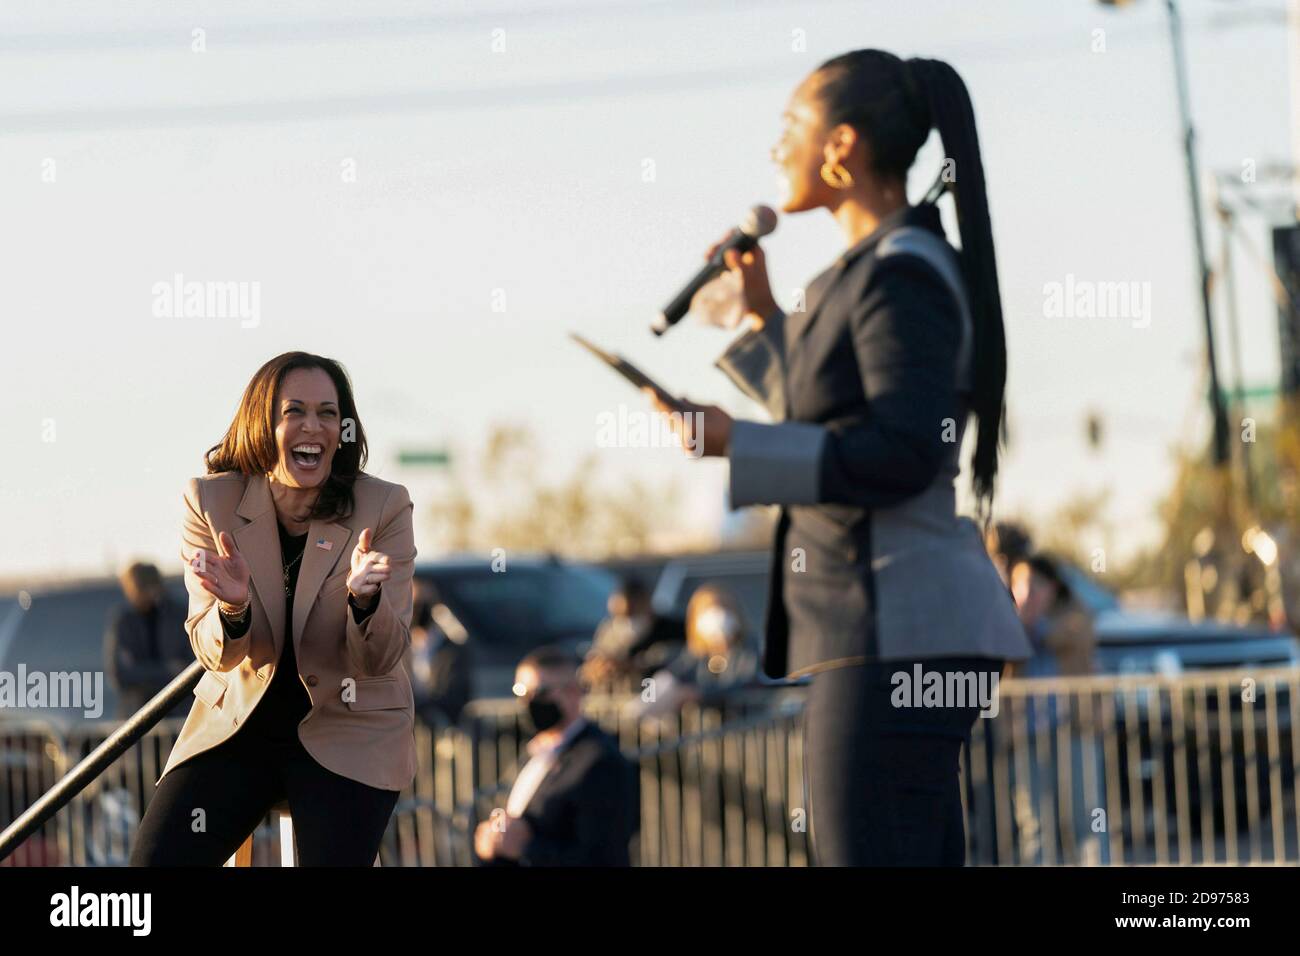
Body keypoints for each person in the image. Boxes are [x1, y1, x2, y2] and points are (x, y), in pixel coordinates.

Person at [645, 49, 1031, 865]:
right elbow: (831, 414)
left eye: (790, 126)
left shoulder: (901, 278)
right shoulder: (866, 275)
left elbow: (900, 451)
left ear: (842, 146)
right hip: (890, 629)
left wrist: (736, 445)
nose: (775, 149)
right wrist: (757, 317)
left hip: (897, 627)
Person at [130, 351, 418, 867]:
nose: (314, 427)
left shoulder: (384, 507)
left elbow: (380, 660)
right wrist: (234, 607)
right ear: (263, 423)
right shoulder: (210, 502)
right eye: (295, 412)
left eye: (329, 413)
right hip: (240, 728)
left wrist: (364, 600)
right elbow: (213, 653)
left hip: (349, 728)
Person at [473, 646, 638, 866]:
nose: (528, 702)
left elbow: (603, 855)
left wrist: (526, 848)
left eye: (539, 693)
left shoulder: (600, 761)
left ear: (573, 693)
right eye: (521, 692)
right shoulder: (534, 753)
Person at [633, 583, 757, 720]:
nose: (717, 615)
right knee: (665, 681)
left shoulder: (746, 646)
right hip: (707, 722)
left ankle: (636, 720)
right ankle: (635, 717)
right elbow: (677, 671)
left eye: (722, 608)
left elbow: (744, 682)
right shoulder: (699, 650)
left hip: (741, 720)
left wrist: (699, 693)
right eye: (709, 609)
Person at [104, 562, 192, 719]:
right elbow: (120, 674)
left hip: (180, 713)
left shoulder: (179, 614)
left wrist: (142, 671)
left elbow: (191, 666)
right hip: (137, 717)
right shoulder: (124, 621)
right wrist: (167, 670)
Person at [582, 576, 684, 690]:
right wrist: (595, 668)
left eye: (632, 612)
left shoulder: (673, 630)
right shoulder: (609, 631)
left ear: (646, 603)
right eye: (620, 615)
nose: (627, 620)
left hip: (652, 697)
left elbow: (676, 664)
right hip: (615, 700)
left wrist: (632, 666)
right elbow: (594, 659)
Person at [408, 578, 473, 727]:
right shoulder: (395, 648)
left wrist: (420, 707)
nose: (417, 610)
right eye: (413, 603)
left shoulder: (453, 650)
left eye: (422, 603)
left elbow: (454, 696)